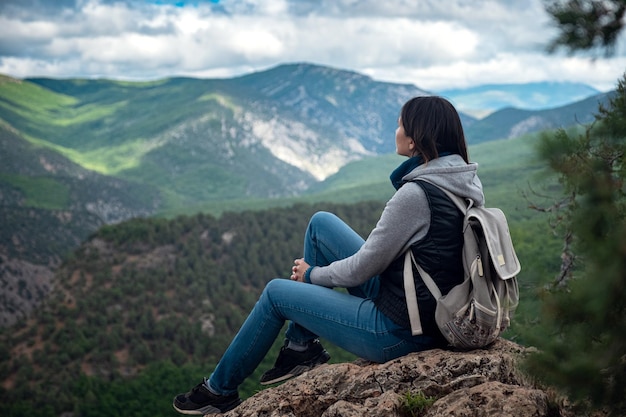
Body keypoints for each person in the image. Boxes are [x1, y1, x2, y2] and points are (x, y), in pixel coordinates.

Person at [172, 96, 485, 415]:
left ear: (415, 137)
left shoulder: (416, 195)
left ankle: (218, 391)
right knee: (321, 224)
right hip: (421, 308)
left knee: (276, 294)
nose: (396, 130)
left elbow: (361, 269)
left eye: (400, 124)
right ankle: (300, 347)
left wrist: (310, 275)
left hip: (401, 332)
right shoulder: (459, 181)